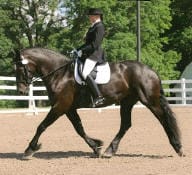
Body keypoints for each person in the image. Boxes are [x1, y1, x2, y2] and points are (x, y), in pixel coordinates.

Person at [74, 8, 106, 107]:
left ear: (96, 16)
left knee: (85, 72)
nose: (89, 17)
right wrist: (77, 50)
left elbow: (95, 44)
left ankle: (99, 96)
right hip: (88, 54)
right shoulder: (93, 26)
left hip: (94, 55)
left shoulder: (100, 27)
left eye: (90, 16)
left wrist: (82, 51)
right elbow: (87, 43)